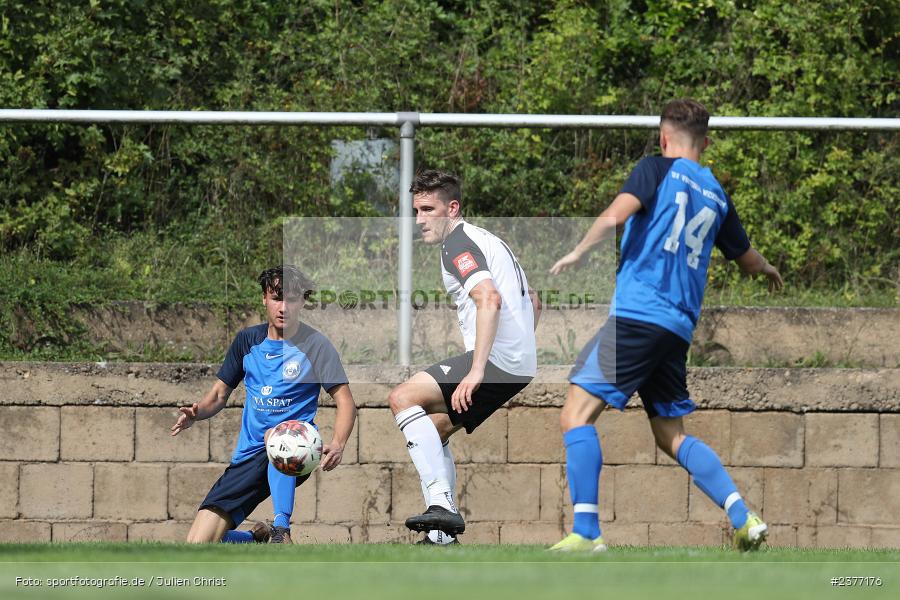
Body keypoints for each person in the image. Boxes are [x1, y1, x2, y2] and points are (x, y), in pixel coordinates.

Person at [548, 99, 783, 552]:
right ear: (705, 143)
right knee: (670, 434)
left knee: (575, 414)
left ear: (663, 138)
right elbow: (747, 259)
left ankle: (587, 532)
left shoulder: (655, 169)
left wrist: (579, 250)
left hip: (638, 317)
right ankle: (744, 517)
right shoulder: (716, 194)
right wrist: (769, 268)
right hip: (676, 330)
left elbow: (617, 213)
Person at [389, 170, 541, 544]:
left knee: (402, 397)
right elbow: (535, 301)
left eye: (428, 209)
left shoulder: (456, 243)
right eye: (416, 211)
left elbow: (489, 298)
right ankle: (441, 537)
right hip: (519, 365)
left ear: (452, 208)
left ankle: (441, 507)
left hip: (496, 362)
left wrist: (477, 369)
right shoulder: (488, 239)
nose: (419, 220)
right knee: (435, 428)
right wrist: (519, 346)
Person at [171, 265, 356, 544]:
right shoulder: (248, 341)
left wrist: (338, 443)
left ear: (302, 302)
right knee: (198, 543)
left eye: (291, 299)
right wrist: (197, 413)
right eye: (276, 298)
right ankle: (255, 538)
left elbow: (346, 402)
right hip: (248, 454)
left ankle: (281, 529)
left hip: (297, 449)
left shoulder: (316, 345)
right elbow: (219, 395)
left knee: (275, 434)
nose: (284, 307)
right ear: (264, 299)